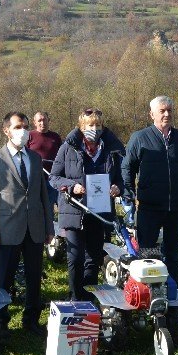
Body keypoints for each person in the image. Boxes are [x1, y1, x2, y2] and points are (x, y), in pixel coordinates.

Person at [0, 111, 54, 338]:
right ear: (6, 130)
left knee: (34, 278)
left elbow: (43, 196)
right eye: (17, 127)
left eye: (24, 126)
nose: (22, 131)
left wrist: (49, 228)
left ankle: (31, 320)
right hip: (7, 229)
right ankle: (0, 322)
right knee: (4, 279)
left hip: (35, 229)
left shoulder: (34, 158)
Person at [48, 109, 125, 300]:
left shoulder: (111, 149)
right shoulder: (68, 147)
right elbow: (54, 177)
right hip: (75, 210)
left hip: (99, 213)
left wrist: (117, 188)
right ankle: (75, 296)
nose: (94, 128)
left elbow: (121, 179)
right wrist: (72, 186)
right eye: (90, 125)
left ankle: (88, 296)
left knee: (94, 257)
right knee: (75, 257)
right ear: (81, 127)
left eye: (98, 125)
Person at [121, 95, 178, 288]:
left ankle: (173, 295)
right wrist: (128, 196)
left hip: (176, 209)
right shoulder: (140, 138)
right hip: (149, 208)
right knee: (148, 255)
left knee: (173, 255)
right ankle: (148, 294)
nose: (166, 114)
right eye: (162, 111)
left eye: (169, 110)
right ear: (151, 114)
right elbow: (127, 168)